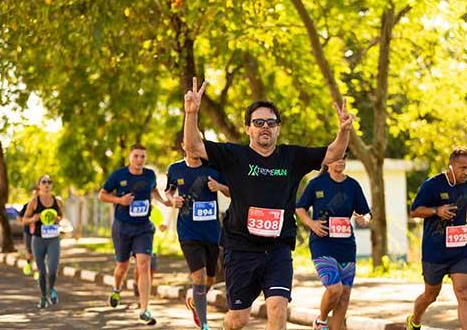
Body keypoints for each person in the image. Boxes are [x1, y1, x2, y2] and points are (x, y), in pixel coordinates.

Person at [183, 77, 354, 330]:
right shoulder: (235, 155)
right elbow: (193, 146)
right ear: (248, 128)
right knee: (238, 319)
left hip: (277, 249)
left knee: (277, 307)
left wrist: (344, 131)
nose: (265, 127)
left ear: (278, 128)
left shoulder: (292, 157)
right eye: (258, 122)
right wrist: (192, 113)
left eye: (271, 123)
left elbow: (333, 153)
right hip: (241, 248)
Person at [296, 151, 371, 330]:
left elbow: (366, 212)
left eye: (344, 158)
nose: (340, 162)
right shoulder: (316, 183)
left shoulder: (353, 185)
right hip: (322, 243)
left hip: (346, 245)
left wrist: (365, 219)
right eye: (337, 158)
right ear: (328, 161)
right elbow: (300, 208)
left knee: (344, 295)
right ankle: (321, 320)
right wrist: (311, 224)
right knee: (334, 289)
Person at [407, 147, 467, 330]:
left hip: (460, 248)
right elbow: (414, 210)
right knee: (431, 295)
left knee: (464, 294)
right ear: (451, 166)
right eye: (462, 168)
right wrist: (436, 211)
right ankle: (414, 320)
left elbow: (463, 198)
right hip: (435, 251)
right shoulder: (432, 185)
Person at [98, 143, 168, 326]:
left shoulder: (150, 175)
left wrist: (164, 201)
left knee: (144, 264)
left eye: (142, 156)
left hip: (143, 227)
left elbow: (153, 191)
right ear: (130, 157)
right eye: (136, 156)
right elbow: (102, 195)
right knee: (122, 266)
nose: (139, 160)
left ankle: (144, 309)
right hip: (122, 227)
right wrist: (119, 200)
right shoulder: (119, 175)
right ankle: (116, 288)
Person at [165, 141, 230, 330]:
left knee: (209, 280)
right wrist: (172, 200)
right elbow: (169, 192)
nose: (194, 146)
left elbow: (232, 192)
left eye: (198, 141)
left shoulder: (213, 167)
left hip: (211, 233)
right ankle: (204, 324)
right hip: (188, 232)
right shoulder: (175, 168)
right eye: (190, 142)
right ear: (183, 145)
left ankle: (194, 298)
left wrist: (219, 186)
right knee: (199, 277)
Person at [23, 175, 63, 308]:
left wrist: (58, 219)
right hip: (38, 239)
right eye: (44, 182)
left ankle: (51, 289)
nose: (47, 184)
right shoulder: (34, 201)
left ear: (51, 185)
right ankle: (43, 297)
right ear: (39, 185)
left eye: (49, 182)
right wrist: (34, 218)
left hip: (53, 239)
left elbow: (61, 216)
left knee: (52, 269)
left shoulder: (56, 201)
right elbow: (25, 220)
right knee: (42, 271)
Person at [18, 186, 39, 276]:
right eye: (34, 194)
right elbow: (20, 218)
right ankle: (28, 264)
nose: (36, 196)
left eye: (37, 194)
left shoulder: (43, 206)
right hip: (28, 231)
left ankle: (38, 271)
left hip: (39, 233)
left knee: (38, 252)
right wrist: (30, 220)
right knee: (29, 251)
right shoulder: (27, 205)